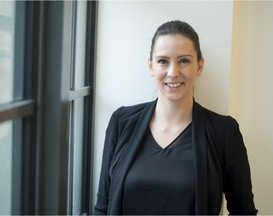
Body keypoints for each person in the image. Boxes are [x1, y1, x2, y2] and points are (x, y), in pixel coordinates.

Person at [94, 20, 257, 215]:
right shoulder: (121, 122)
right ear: (150, 66)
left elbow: (244, 211)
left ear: (199, 66)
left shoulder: (224, 132)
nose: (173, 72)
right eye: (163, 61)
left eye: (184, 61)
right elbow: (103, 206)